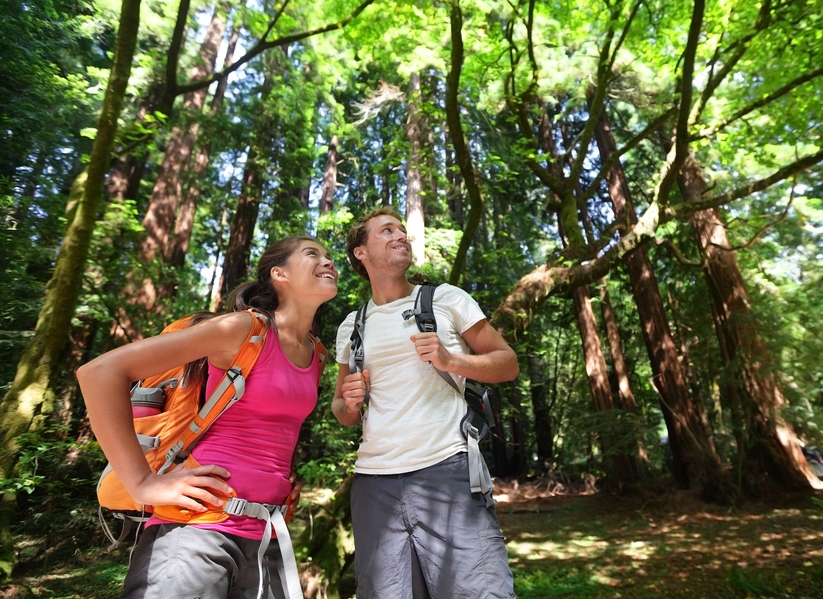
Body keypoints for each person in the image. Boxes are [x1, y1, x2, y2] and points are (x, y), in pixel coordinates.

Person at [78, 236, 338, 599]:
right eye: (313, 254)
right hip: (196, 530)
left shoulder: (317, 354)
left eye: (329, 257)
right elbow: (100, 373)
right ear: (279, 274)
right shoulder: (245, 329)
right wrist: (143, 483)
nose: (328, 262)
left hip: (266, 536)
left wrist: (281, 480)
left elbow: (272, 430)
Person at [331, 207, 518, 598]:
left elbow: (507, 363)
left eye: (402, 230)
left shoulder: (445, 299)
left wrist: (452, 360)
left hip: (447, 470)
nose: (401, 235)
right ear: (360, 252)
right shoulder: (354, 324)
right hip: (373, 484)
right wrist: (348, 403)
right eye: (386, 231)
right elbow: (342, 410)